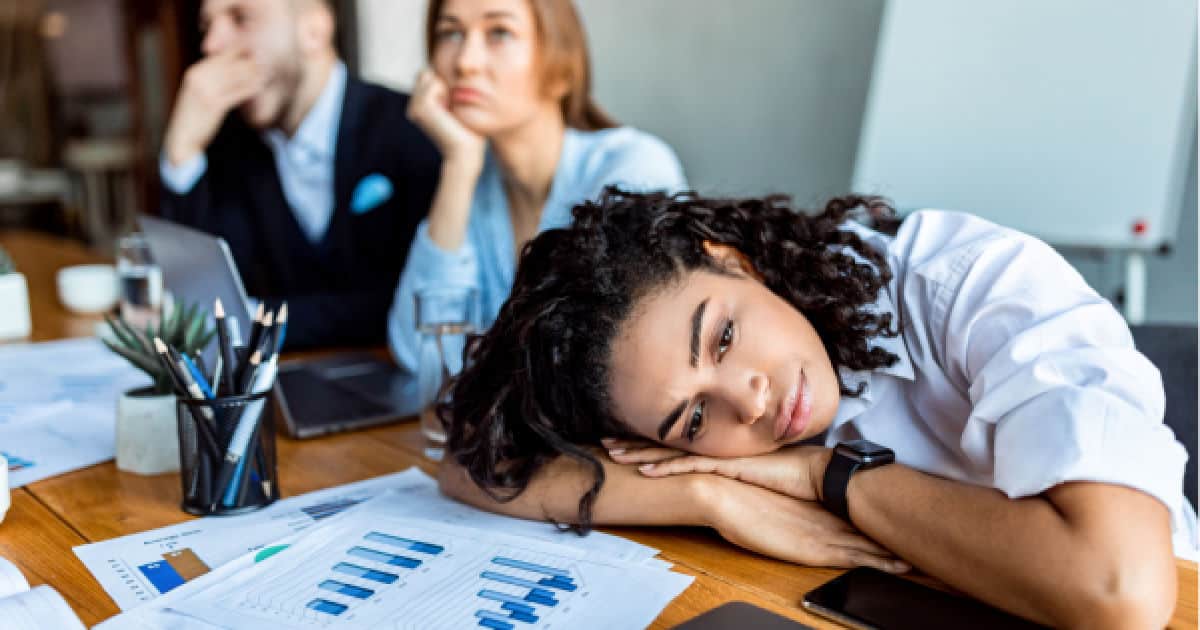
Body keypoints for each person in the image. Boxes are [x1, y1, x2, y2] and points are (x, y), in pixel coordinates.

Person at [438, 189, 1195, 628]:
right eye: (695, 422)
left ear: (732, 260)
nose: (751, 402)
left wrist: (830, 476)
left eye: (725, 336)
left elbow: (1117, 592)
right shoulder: (716, 446)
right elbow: (467, 464)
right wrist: (706, 497)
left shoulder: (968, 281)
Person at [387, 0, 686, 379]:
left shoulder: (633, 169)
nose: (465, 61)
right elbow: (417, 353)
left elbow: (599, 367)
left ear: (560, 70)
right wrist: (459, 165)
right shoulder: (470, 186)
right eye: (450, 32)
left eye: (499, 32)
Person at [160, 0, 440, 349]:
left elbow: (419, 300)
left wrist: (255, 322)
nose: (211, 46)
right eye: (207, 27)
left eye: (240, 17)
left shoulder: (413, 128)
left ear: (314, 31)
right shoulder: (230, 148)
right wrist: (182, 151)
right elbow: (203, 301)